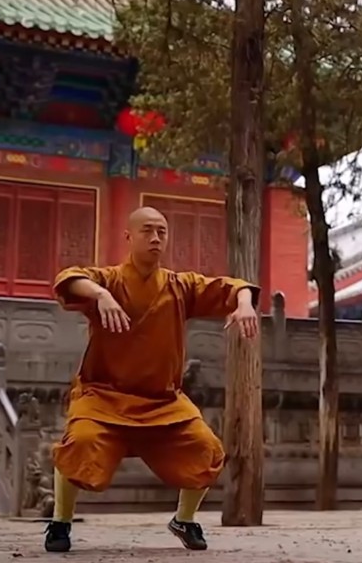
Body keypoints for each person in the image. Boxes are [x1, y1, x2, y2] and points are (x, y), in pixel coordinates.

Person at [43, 206, 260, 553]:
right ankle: (60, 522)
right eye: (147, 231)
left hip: (163, 402)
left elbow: (231, 287)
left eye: (162, 231)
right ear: (128, 236)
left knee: (207, 448)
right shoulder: (109, 280)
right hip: (103, 397)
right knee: (79, 442)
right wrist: (101, 296)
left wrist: (245, 304)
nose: (156, 238)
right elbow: (68, 278)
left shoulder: (180, 286)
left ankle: (184, 520)